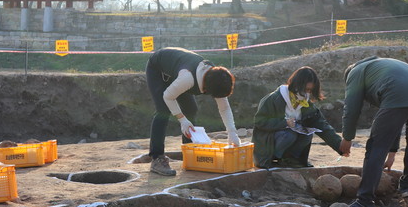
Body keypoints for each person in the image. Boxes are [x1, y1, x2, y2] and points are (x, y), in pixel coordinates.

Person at [339, 56, 408, 207]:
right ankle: (407, 187)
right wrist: (392, 153)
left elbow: (351, 109)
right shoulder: (378, 66)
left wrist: (347, 138)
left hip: (399, 90)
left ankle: (365, 200)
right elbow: (394, 121)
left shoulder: (355, 72)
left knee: (375, 145)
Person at [146, 47, 240, 176]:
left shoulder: (218, 77)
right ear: (206, 89)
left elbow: (224, 107)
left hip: (177, 71)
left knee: (191, 109)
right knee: (163, 110)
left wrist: (232, 132)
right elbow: (168, 96)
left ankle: (189, 153)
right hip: (158, 68)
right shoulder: (188, 79)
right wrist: (182, 120)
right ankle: (157, 158)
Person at [252, 66, 344, 168]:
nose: (307, 93)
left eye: (310, 90)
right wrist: (284, 123)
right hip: (269, 143)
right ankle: (274, 158)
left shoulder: (305, 104)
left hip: (288, 140)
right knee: (290, 134)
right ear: (296, 85)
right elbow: (259, 122)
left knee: (308, 134)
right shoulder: (273, 99)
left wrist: (340, 146)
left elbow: (322, 125)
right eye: (306, 89)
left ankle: (290, 159)